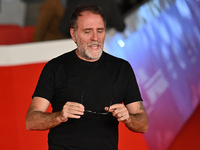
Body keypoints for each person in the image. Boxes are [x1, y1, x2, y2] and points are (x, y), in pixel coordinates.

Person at [26, 5, 148, 150]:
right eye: (87, 32)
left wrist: (128, 118)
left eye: (100, 31)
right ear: (74, 35)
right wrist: (59, 116)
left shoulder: (121, 68)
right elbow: (31, 121)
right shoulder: (55, 67)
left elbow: (143, 124)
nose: (95, 38)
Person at [59, 0, 126, 38]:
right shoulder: (108, 2)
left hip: (80, 46)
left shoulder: (74, 2)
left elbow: (64, 28)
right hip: (102, 46)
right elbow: (121, 26)